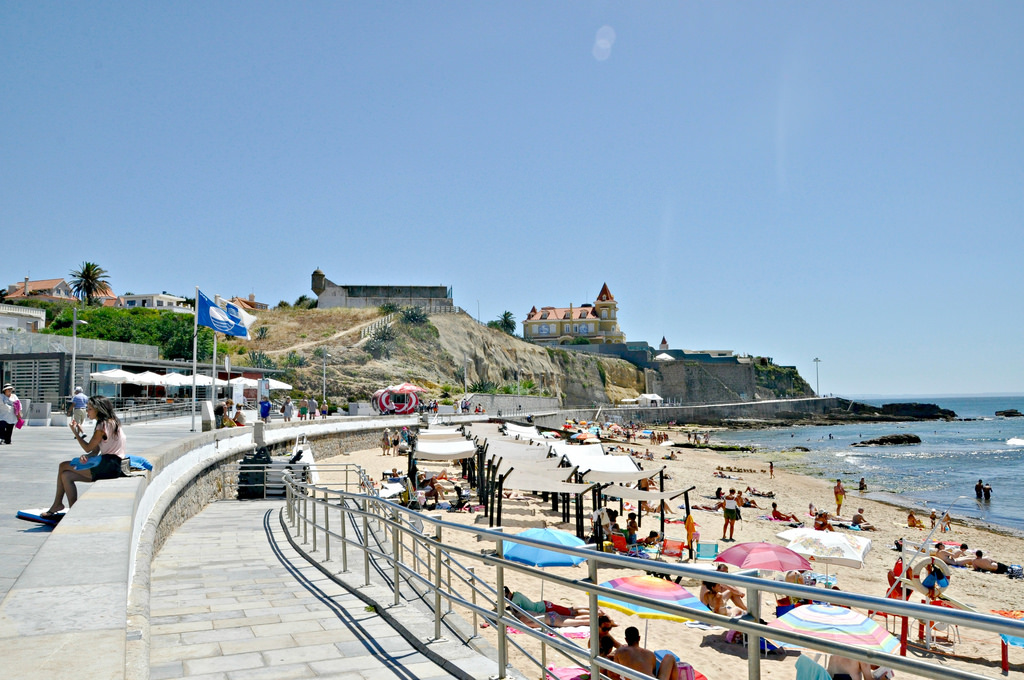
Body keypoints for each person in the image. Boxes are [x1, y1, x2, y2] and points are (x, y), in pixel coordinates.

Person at [42, 396, 126, 519]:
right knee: (66, 475)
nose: (87, 411)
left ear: (98, 409)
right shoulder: (112, 422)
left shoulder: (102, 426)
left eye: (90, 409)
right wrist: (87, 457)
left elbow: (88, 447)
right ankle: (73, 511)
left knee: (63, 465)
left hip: (108, 465)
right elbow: (95, 450)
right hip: (112, 465)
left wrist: (75, 432)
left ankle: (57, 504)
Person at [612, 626, 678, 680]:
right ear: (639, 638)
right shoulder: (650, 654)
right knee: (669, 657)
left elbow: (615, 674)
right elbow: (653, 673)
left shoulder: (619, 652)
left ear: (626, 639)